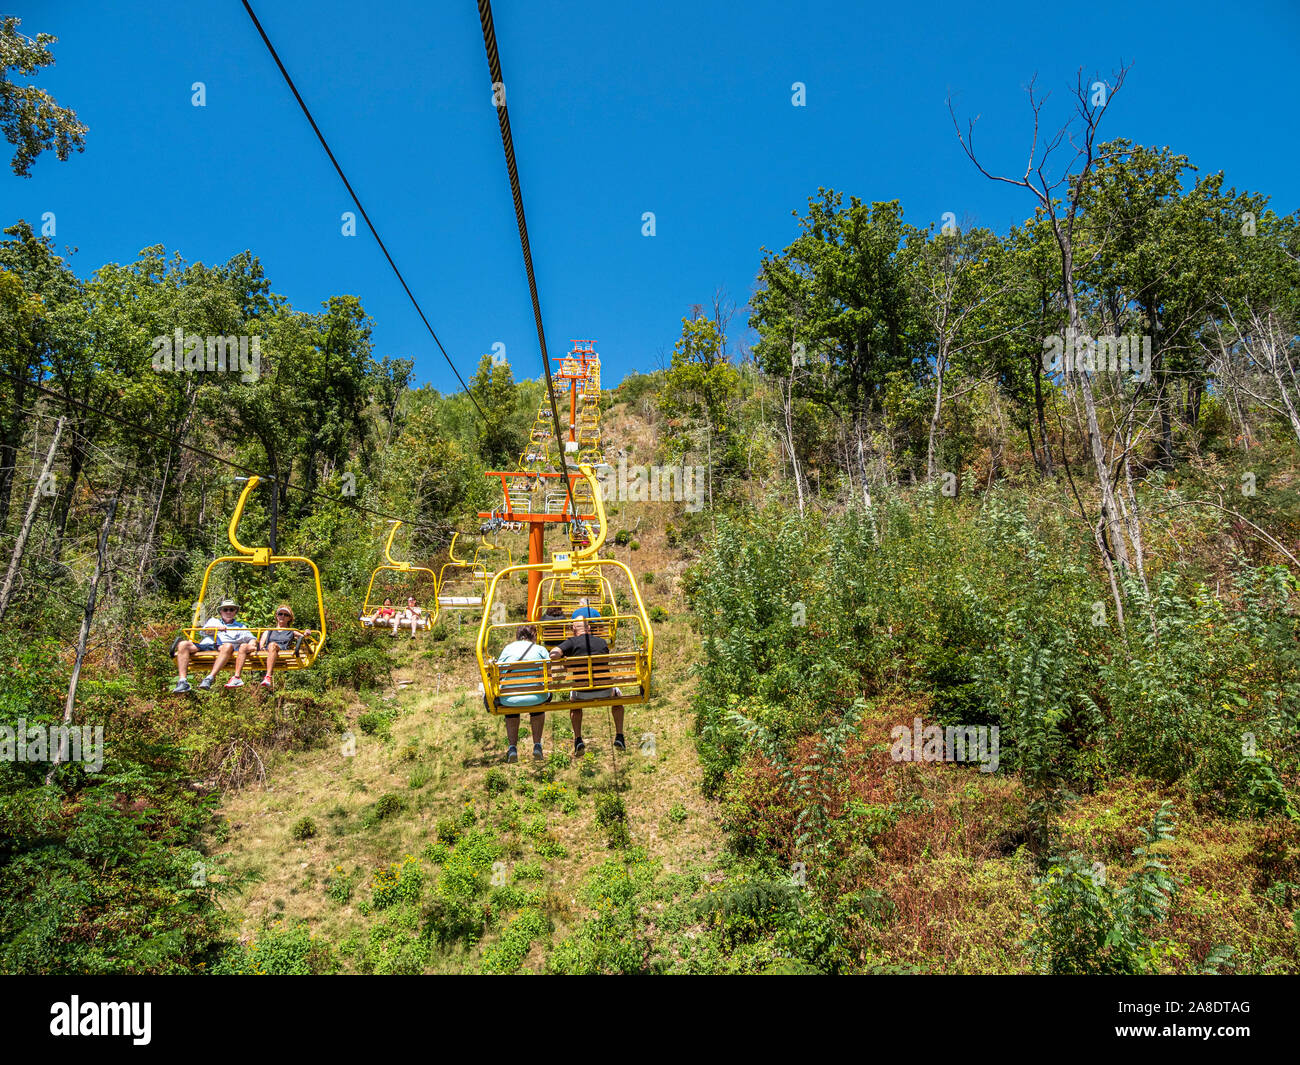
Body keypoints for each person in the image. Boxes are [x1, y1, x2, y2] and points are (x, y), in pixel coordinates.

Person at [550, 617, 624, 754]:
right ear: (589, 628)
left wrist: (564, 659)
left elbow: (553, 654)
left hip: (581, 694)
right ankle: (619, 734)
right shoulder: (602, 642)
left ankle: (578, 738)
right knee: (618, 698)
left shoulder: (571, 642)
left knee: (574, 704)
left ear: (573, 630)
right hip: (605, 691)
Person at [494, 624, 551, 762]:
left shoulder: (508, 648)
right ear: (534, 636)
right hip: (536, 697)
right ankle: (537, 745)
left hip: (510, 699)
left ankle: (512, 747)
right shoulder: (540, 649)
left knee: (511, 707)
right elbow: (548, 672)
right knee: (538, 703)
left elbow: (498, 671)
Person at [173, 599, 254, 693]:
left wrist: (252, 644)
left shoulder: (240, 627)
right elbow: (205, 631)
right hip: (207, 644)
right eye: (225, 609)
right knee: (182, 644)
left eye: (231, 609)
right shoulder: (213, 621)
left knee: (228, 646)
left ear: (235, 612)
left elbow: (251, 638)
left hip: (223, 648)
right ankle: (182, 681)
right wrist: (217, 629)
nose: (228, 612)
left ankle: (209, 678)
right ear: (220, 611)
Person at [228, 604, 301, 689]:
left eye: (286, 615)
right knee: (244, 646)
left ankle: (268, 676)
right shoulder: (268, 631)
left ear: (289, 618)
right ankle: (237, 677)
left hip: (281, 651)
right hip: (268, 650)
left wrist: (306, 633)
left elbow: (303, 636)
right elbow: (261, 644)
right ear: (277, 616)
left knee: (272, 645)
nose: (282, 616)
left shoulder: (291, 631)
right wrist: (261, 648)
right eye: (280, 614)